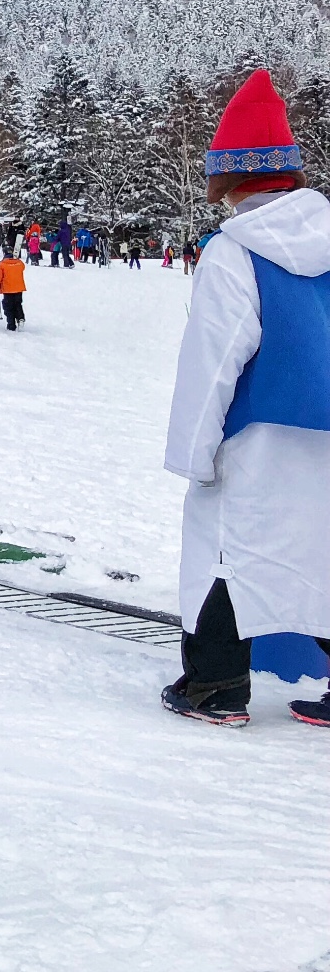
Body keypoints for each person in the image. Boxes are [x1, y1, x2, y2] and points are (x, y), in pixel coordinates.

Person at [160, 70, 330, 727]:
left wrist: (193, 456)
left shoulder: (233, 257)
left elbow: (212, 366)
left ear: (228, 176)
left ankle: (216, 686)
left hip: (259, 436)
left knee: (225, 551)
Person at [0, 248, 27, 331]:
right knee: (18, 303)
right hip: (19, 288)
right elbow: (23, 267)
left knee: (8, 306)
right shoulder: (19, 263)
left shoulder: (2, 264)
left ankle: (11, 324)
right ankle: (20, 317)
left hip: (7, 288)